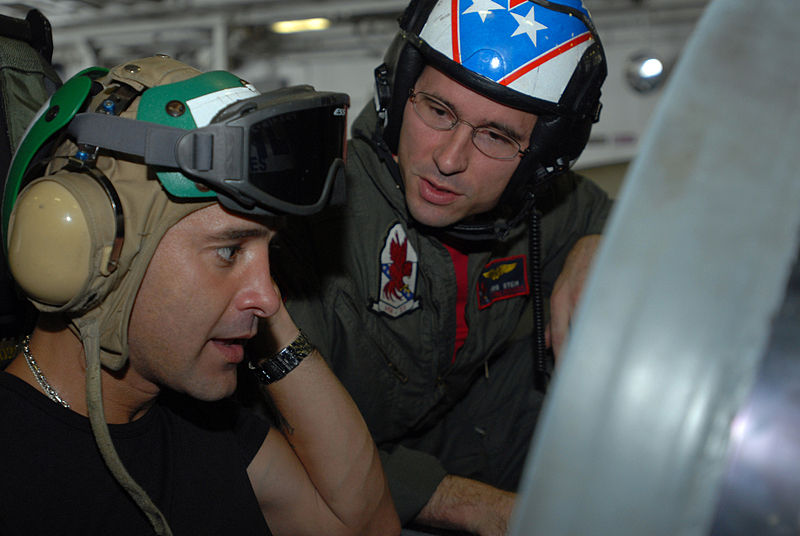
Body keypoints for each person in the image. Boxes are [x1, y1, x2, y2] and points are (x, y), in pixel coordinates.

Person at [0, 55, 400, 536]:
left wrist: (270, 332)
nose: (271, 300)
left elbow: (364, 526)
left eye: (269, 250)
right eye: (229, 251)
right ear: (92, 248)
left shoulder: (206, 425)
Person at [270, 1, 613, 534]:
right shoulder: (314, 217)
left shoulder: (537, 209)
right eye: (437, 110)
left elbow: (598, 205)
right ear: (398, 92)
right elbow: (264, 440)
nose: (450, 159)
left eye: (496, 136)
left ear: (542, 159)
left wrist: (598, 243)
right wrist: (469, 505)